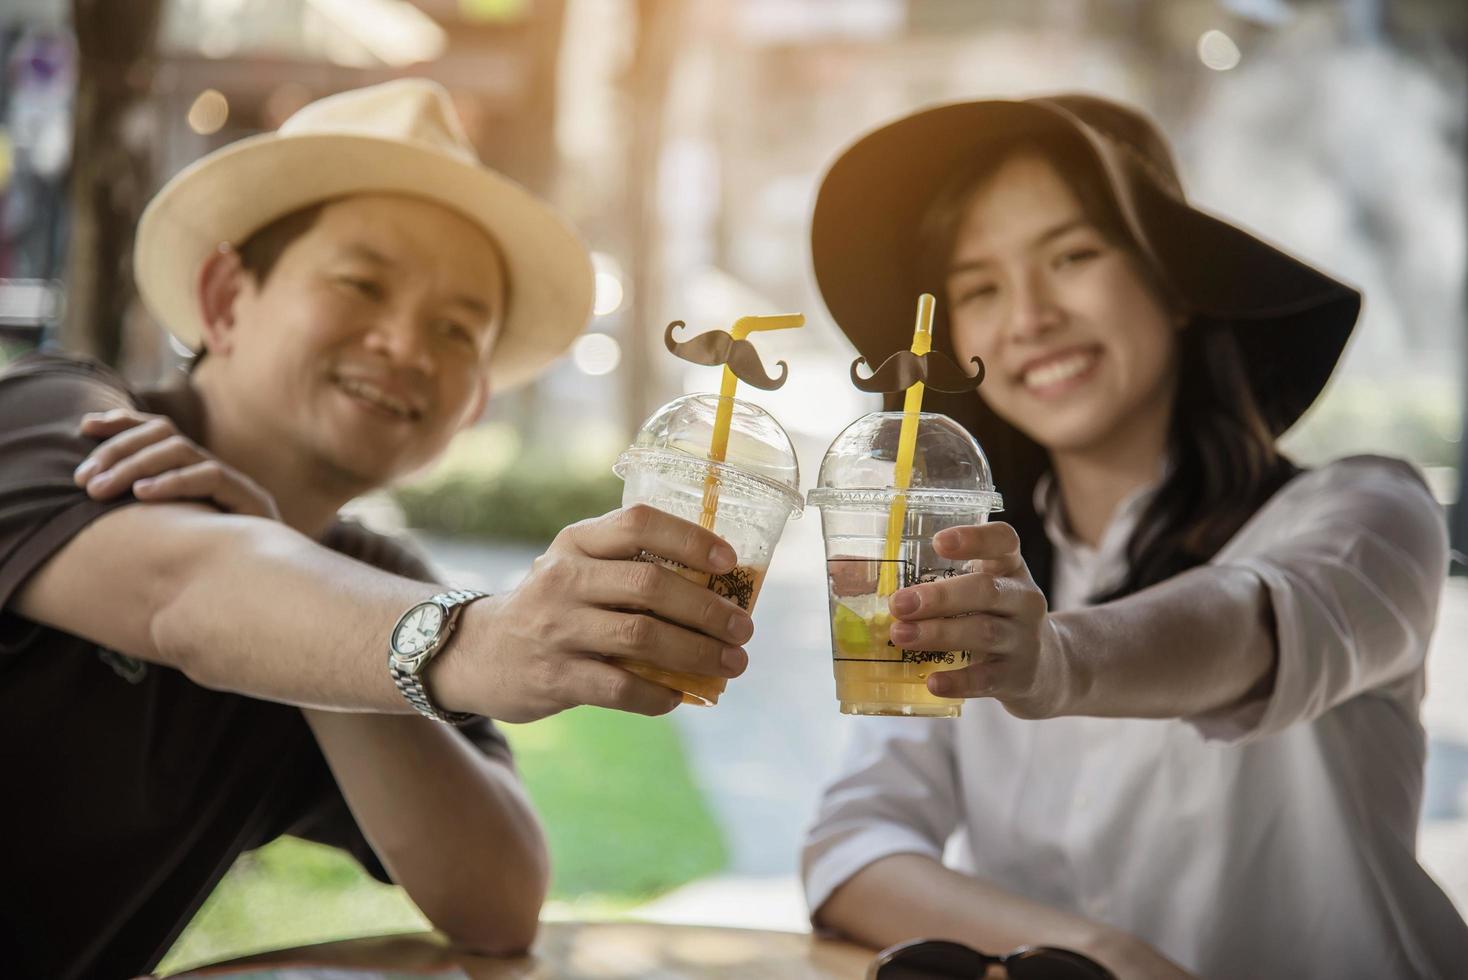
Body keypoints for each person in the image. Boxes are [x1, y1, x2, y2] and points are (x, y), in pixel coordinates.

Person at [0, 79, 755, 980]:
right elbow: (186, 595)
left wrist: (335, 670)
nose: (405, 346)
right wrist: (479, 640)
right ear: (226, 296)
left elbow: (497, 903)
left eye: (455, 330)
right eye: (361, 284)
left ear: (471, 401)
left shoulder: (371, 578)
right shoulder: (59, 424)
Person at [801, 94, 1468, 978]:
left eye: (1072, 255)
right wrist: (1101, 956)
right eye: (980, 287)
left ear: (1176, 284)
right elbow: (853, 844)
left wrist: (1054, 659)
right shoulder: (965, 573)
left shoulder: (1367, 515)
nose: (1028, 316)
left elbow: (1246, 625)